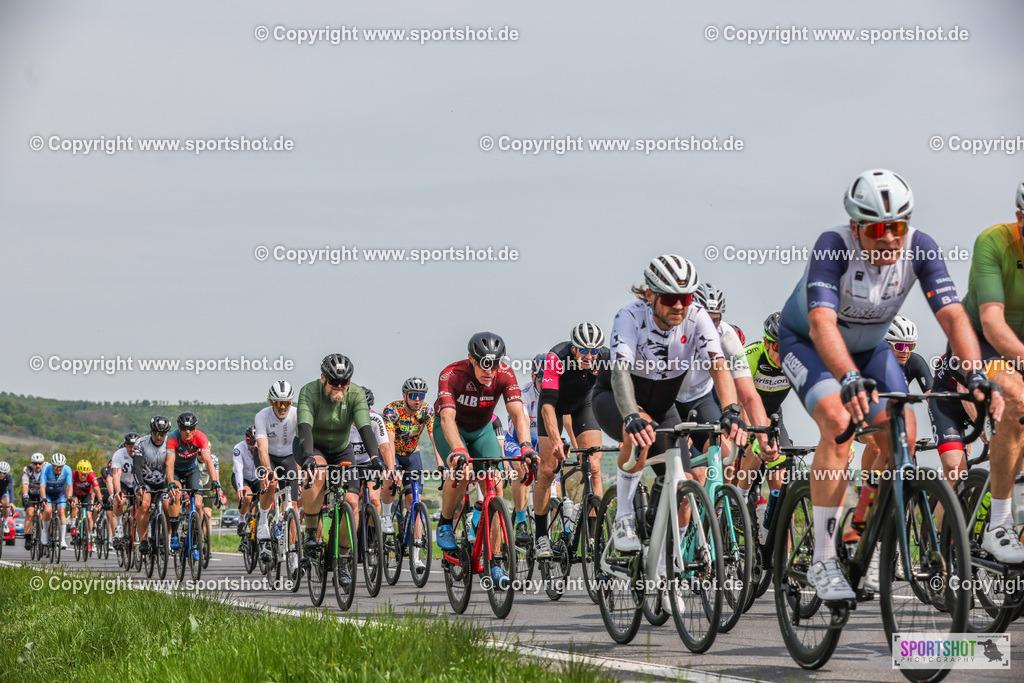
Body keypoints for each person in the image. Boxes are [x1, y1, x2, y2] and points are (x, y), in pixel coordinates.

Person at [778, 168, 1004, 600]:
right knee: (837, 421)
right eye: (876, 229)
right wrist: (847, 378)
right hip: (811, 343)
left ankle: (861, 530)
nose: (887, 239)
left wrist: (976, 373)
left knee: (903, 434)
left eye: (896, 227)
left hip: (871, 348)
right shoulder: (833, 245)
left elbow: (953, 316)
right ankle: (823, 559)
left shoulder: (920, 247)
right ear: (855, 226)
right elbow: (822, 321)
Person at [593, 254, 743, 552]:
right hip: (617, 397)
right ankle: (624, 516)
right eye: (671, 298)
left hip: (663, 407)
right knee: (639, 436)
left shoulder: (697, 317)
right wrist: (631, 415)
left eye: (685, 298)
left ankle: (664, 568)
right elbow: (620, 373)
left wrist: (730, 410)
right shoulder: (630, 316)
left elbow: (718, 365)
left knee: (685, 490)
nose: (679, 306)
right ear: (650, 294)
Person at [931, 182, 1024, 562]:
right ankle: (993, 527)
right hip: (978, 350)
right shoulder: (995, 243)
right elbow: (992, 323)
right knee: (1016, 398)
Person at [433, 332, 538, 589]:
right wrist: (459, 450)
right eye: (483, 364)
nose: (489, 371)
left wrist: (525, 446)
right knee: (464, 470)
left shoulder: (505, 374)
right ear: (471, 358)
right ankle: (445, 523)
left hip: (482, 430)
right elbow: (447, 418)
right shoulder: (452, 374)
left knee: (496, 488)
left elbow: (518, 413)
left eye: (495, 364)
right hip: (452, 428)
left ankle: (496, 561)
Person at [296, 354, 386, 590]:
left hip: (341, 449)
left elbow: (365, 427)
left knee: (352, 502)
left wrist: (375, 458)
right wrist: (308, 456)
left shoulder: (355, 394)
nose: (339, 387)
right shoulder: (309, 392)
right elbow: (304, 426)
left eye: (343, 382)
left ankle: (344, 560)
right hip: (311, 445)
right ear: (323, 378)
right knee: (318, 472)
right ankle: (311, 531)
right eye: (334, 382)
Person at [534, 323, 609, 559]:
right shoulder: (556, 357)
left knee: (594, 466)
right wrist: (557, 440)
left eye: (593, 351)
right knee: (548, 470)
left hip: (583, 405)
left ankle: (593, 537)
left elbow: (621, 392)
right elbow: (547, 405)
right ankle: (541, 536)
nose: (589, 356)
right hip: (553, 405)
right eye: (583, 350)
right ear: (574, 348)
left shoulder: (605, 358)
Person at [381, 377, 438, 569]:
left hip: (413, 455)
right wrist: (393, 467)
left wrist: (441, 463)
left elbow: (434, 437)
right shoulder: (392, 410)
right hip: (393, 453)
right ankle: (386, 515)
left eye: (421, 395)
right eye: (413, 395)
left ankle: (415, 556)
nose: (418, 399)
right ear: (404, 395)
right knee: (390, 479)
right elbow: (388, 441)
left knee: (415, 501)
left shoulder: (427, 411)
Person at [165, 412, 224, 552]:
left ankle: (197, 537)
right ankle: (174, 534)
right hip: (176, 471)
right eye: (184, 429)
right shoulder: (173, 438)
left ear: (195, 428)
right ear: (179, 428)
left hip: (192, 470)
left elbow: (208, 461)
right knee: (176, 494)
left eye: (191, 428)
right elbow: (169, 463)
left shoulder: (201, 437)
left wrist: (215, 481)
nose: (187, 432)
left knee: (198, 505)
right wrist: (171, 482)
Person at [132, 416, 173, 555]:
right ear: (151, 431)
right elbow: (137, 467)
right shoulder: (141, 443)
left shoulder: (170, 444)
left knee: (168, 506)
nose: (159, 437)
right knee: (144, 504)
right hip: (145, 481)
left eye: (162, 433)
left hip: (163, 482)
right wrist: (141, 485)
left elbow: (174, 467)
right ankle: (143, 540)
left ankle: (165, 537)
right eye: (156, 433)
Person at [111, 433, 140, 549]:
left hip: (137, 482)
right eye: (129, 446)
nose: (132, 449)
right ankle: (118, 525)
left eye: (134, 446)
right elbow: (116, 475)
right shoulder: (119, 454)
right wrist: (118, 491)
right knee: (120, 500)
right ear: (125, 446)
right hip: (123, 483)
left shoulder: (142, 452)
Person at [232, 425, 261, 541]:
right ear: (246, 440)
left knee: (264, 497)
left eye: (255, 442)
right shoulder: (239, 448)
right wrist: (240, 487)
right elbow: (238, 469)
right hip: (243, 477)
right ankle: (242, 519)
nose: (253, 446)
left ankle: (257, 521)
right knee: (248, 497)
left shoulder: (263, 447)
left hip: (257, 478)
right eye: (250, 442)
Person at [39, 453, 73, 549]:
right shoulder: (46, 468)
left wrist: (69, 497)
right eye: (56, 467)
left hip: (60, 493)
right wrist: (44, 498)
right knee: (48, 510)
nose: (59, 469)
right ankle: (45, 532)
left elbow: (69, 486)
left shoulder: (67, 469)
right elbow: (42, 485)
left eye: (61, 467)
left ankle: (62, 539)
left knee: (61, 512)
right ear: (52, 465)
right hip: (47, 493)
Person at [21, 453, 46, 549]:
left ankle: (47, 535)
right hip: (31, 493)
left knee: (46, 513)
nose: (38, 465)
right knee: (30, 513)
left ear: (43, 462)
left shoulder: (47, 468)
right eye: (35, 463)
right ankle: (28, 538)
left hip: (43, 493)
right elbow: (25, 484)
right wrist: (25, 496)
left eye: (40, 463)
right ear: (32, 463)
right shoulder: (27, 469)